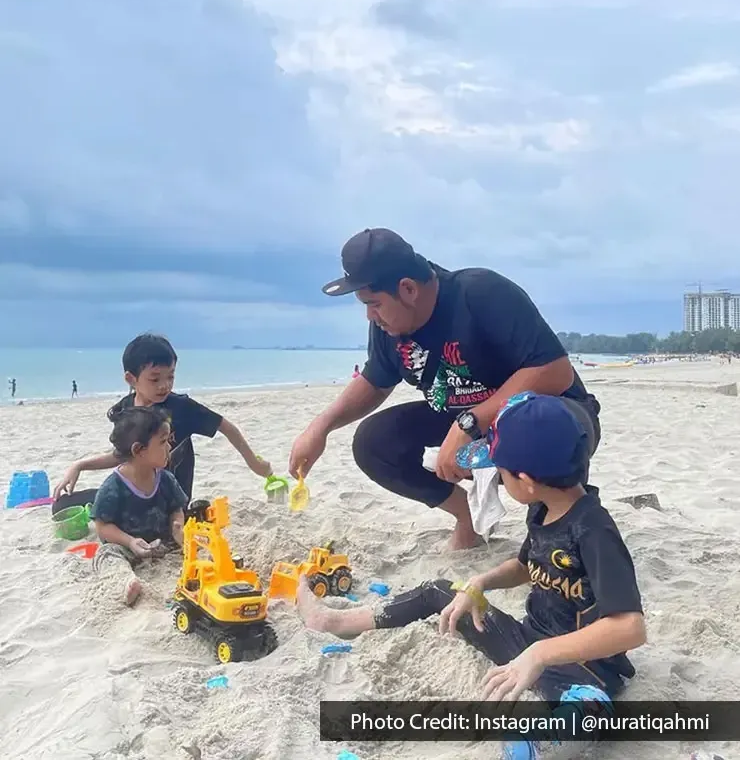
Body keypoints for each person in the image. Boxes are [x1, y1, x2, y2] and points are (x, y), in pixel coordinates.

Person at [297, 394, 645, 756]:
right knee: (440, 590)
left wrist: (541, 655)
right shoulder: (543, 509)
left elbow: (630, 627)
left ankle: (533, 742)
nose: (497, 480)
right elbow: (528, 566)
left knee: (592, 714)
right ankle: (340, 621)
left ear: (525, 481)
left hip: (583, 669)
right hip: (526, 642)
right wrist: (481, 583)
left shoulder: (594, 530)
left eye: (500, 473)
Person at [289, 228, 601, 549]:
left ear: (408, 289)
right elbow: (375, 381)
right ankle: (468, 517)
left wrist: (470, 422)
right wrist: (320, 428)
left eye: (374, 303)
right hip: (467, 423)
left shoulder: (480, 294)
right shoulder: (389, 326)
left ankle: (560, 527)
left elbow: (555, 371)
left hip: (550, 415)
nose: (369, 315)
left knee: (543, 444)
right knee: (373, 442)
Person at [53, 333, 272, 503]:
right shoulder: (125, 411)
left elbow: (226, 427)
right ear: (131, 379)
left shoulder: (182, 407)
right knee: (61, 504)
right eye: (155, 379)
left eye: (171, 376)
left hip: (172, 501)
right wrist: (79, 465)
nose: (165, 385)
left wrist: (253, 462)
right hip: (136, 493)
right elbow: (122, 456)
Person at [91, 405, 186, 606]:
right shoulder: (113, 485)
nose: (169, 447)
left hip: (164, 544)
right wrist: (130, 541)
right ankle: (125, 582)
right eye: (163, 442)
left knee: (194, 546)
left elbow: (176, 509)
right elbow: (102, 526)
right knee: (106, 555)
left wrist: (177, 526)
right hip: (128, 547)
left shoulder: (166, 479)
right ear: (138, 450)